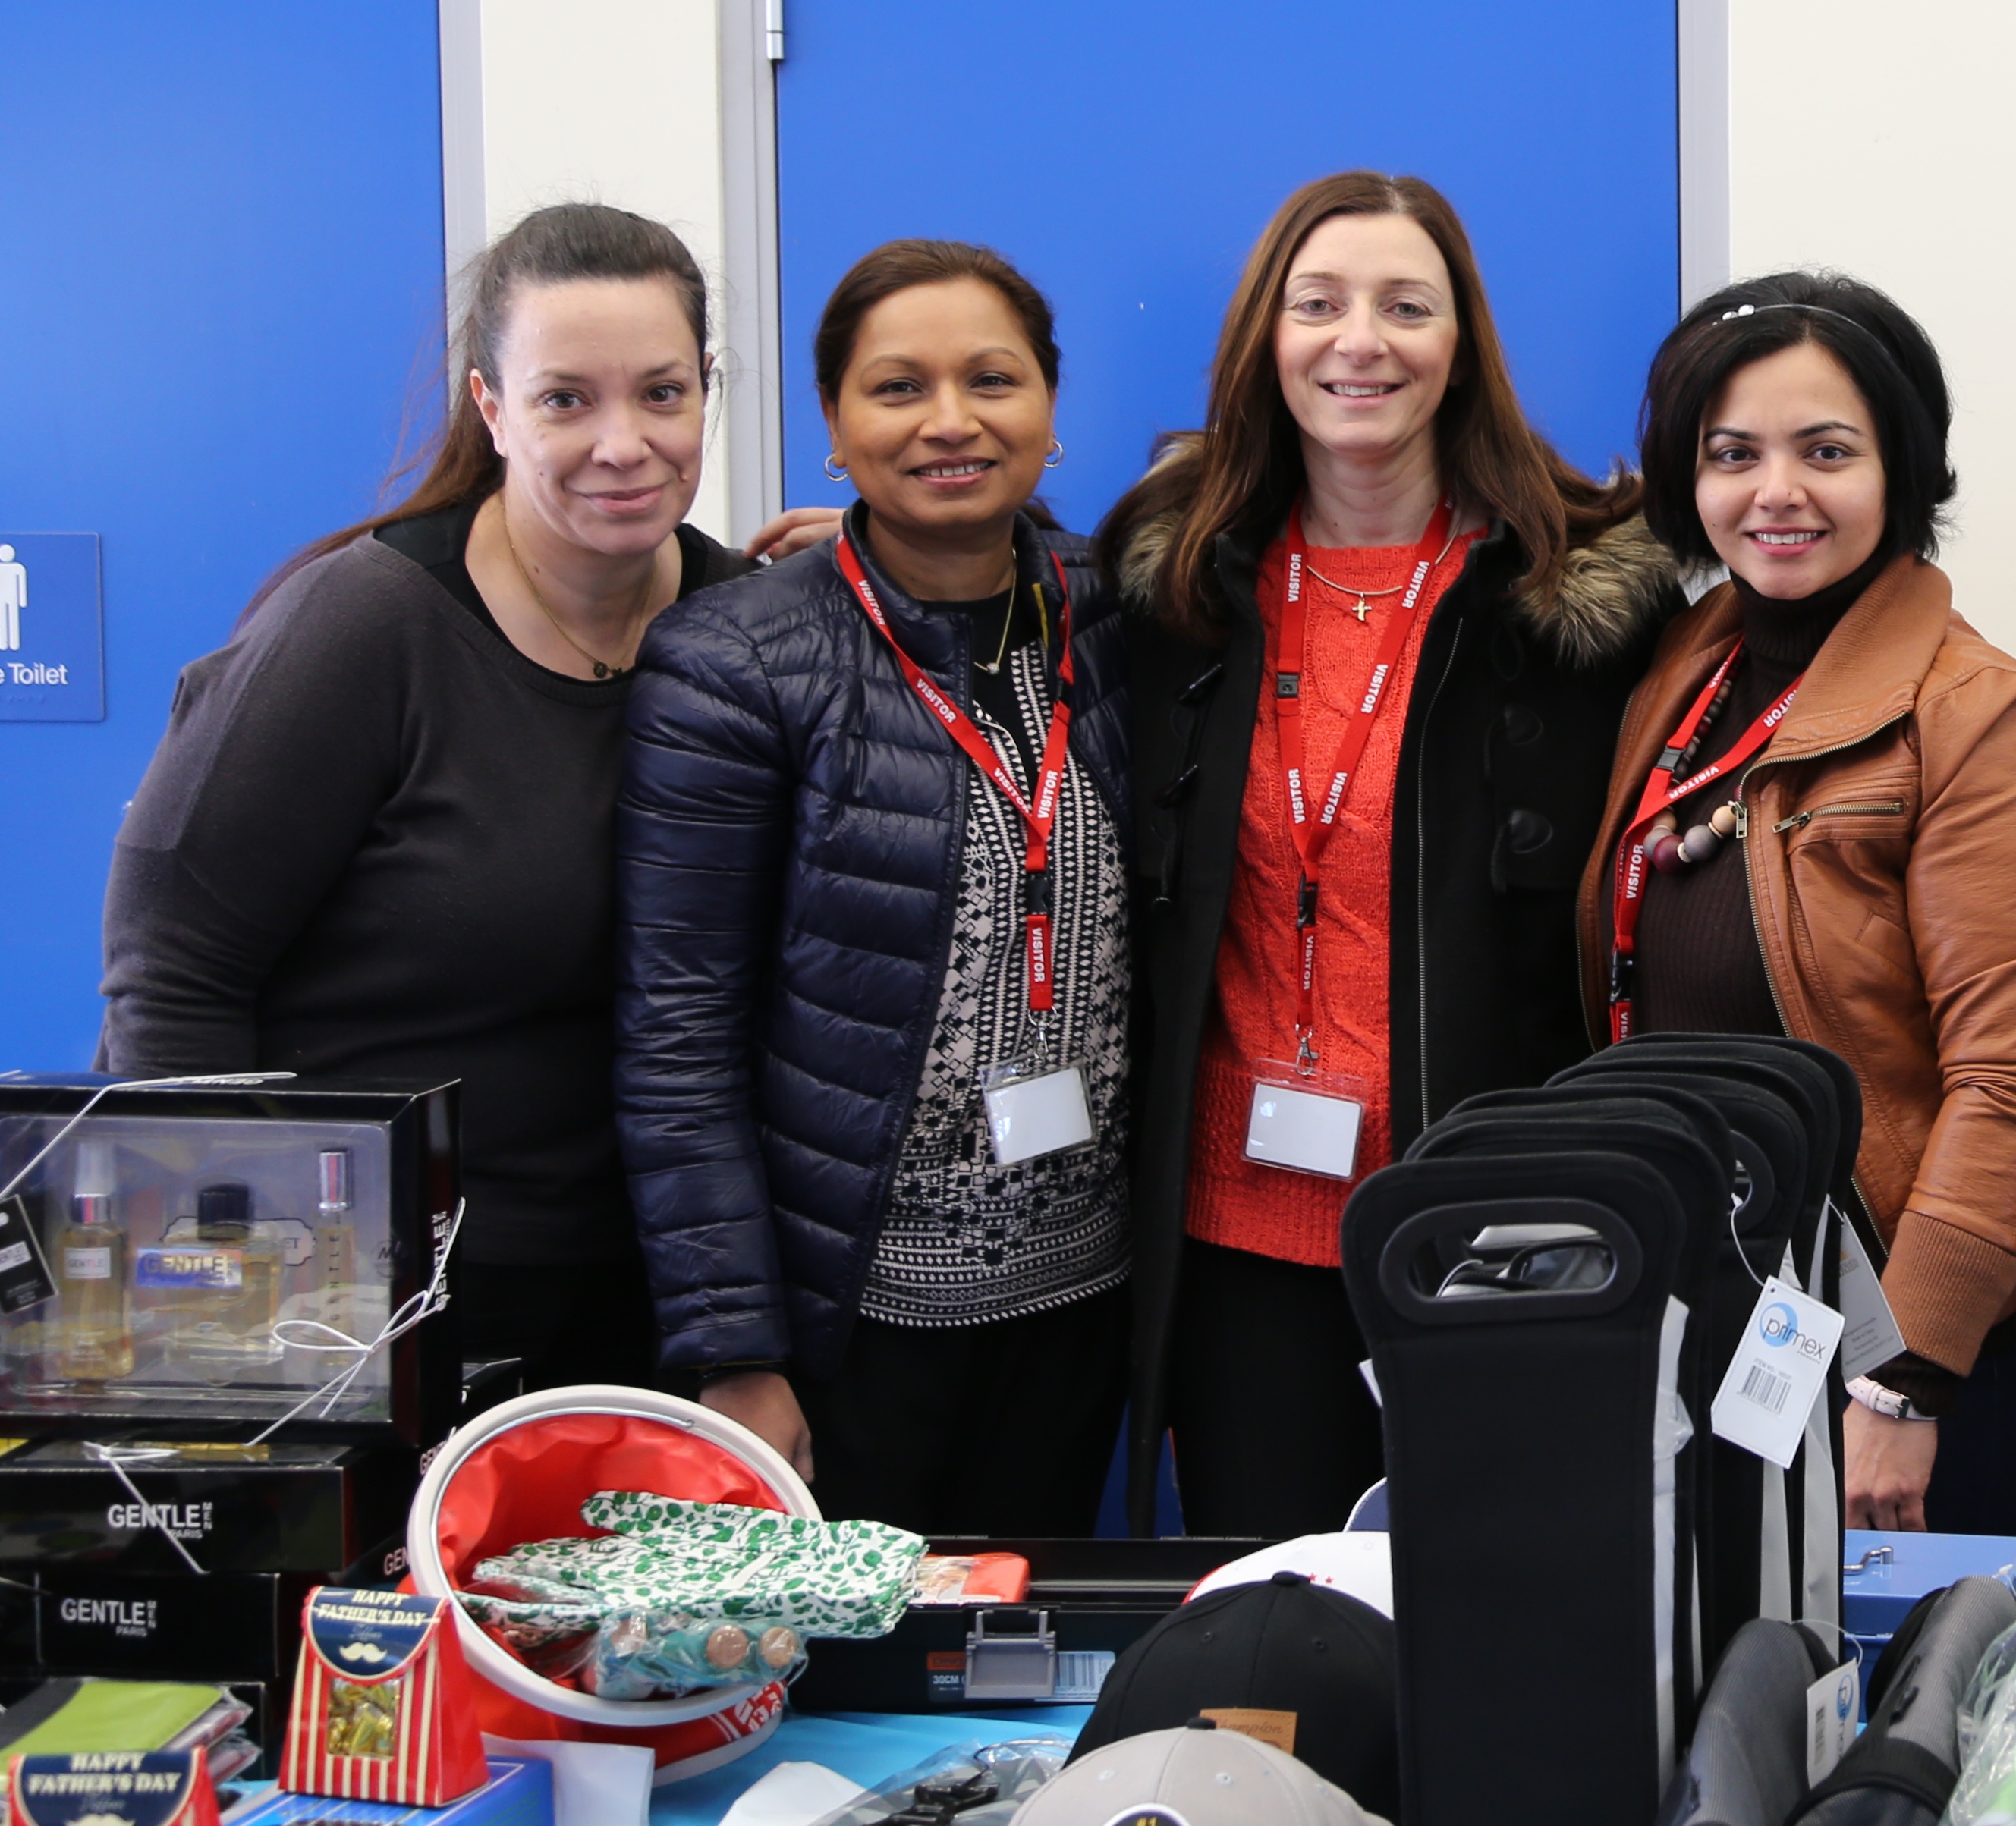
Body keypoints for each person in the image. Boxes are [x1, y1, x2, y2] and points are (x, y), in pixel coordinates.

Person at [1102, 174, 1677, 1537]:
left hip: (1493, 1226)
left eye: (1405, 306)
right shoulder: (1178, 584)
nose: (1360, 339)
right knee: (1284, 1629)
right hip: (1240, 1244)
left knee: (1501, 1624)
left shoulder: (1577, 600)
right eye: (1321, 304)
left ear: (1460, 344)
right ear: (1267, 337)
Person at [102, 204, 755, 1394]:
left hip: (648, 1309)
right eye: (566, 399)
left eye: (663, 392)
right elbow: (172, 966)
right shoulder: (364, 628)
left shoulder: (746, 626)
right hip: (361, 1308)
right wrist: (242, 1296)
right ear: (491, 408)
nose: (625, 442)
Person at [614, 240, 1134, 1530]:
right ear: (833, 428)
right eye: (898, 387)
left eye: (993, 379)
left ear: (1051, 415)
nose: (951, 420)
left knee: (1037, 1667)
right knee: (849, 1689)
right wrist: (735, 1352)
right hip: (851, 1322)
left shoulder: (1125, 613)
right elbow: (674, 1030)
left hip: (1085, 1298)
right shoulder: (735, 662)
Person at [1577, 272, 2016, 1534]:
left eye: (1826, 451)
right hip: (1705, 1299)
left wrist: (1902, 1378)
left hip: (1892, 1340)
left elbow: (2010, 1086)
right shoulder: (1690, 664)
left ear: (1902, 466)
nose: (1777, 492)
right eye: (1732, 453)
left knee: (1896, 1714)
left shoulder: (1987, 719)